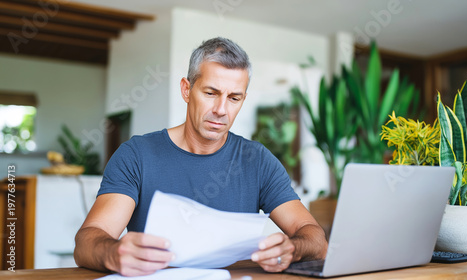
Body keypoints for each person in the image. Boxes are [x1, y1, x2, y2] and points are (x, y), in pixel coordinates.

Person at [74, 37, 327, 276]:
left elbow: (315, 238)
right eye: (210, 93)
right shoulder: (136, 155)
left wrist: (293, 249)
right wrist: (113, 252)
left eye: (233, 98)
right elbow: (87, 241)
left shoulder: (258, 161)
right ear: (186, 90)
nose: (221, 110)